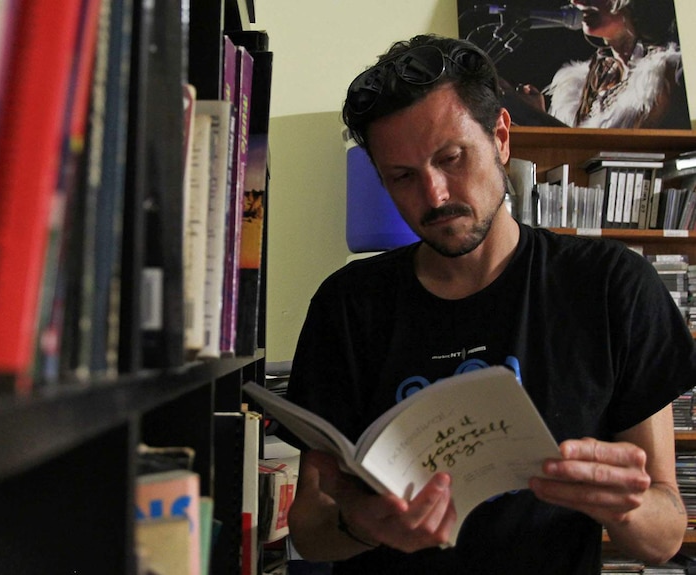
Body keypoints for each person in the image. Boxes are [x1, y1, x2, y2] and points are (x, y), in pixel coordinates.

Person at [280, 33, 696, 574]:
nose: (433, 195)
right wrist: (363, 524)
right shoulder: (348, 304)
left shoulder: (611, 287)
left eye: (451, 158)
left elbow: (663, 538)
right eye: (402, 177)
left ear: (501, 136)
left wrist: (627, 506)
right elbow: (311, 532)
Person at [520, 0, 690, 128]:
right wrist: (536, 114)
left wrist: (537, 118)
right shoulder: (583, 81)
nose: (577, 2)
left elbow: (623, 148)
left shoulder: (663, 73)